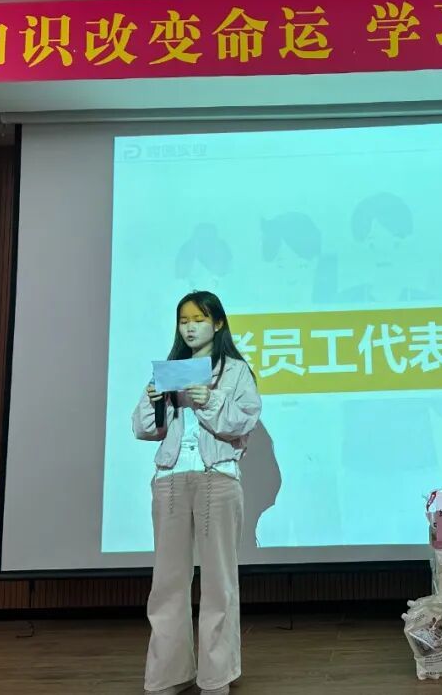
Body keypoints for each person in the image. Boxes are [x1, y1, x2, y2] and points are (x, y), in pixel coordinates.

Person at [133, 290, 261, 695]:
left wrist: (211, 399)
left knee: (218, 582)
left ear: (218, 324)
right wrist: (154, 402)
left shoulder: (235, 371)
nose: (190, 328)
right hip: (170, 480)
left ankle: (216, 676)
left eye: (199, 320)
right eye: (184, 321)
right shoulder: (169, 371)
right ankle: (167, 674)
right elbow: (143, 429)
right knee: (167, 581)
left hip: (216, 478)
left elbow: (245, 421)